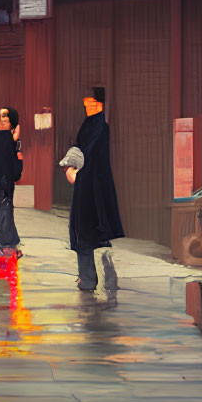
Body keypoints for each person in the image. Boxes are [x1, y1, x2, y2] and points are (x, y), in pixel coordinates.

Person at [65, 86, 123, 293]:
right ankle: (87, 277)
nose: (87, 108)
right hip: (86, 183)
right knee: (84, 231)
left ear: (100, 105)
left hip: (91, 186)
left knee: (85, 231)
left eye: (91, 104)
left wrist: (75, 167)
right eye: (86, 105)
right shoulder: (91, 124)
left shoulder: (99, 126)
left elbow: (87, 151)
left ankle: (88, 279)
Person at [0, 107, 24, 271]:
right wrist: (19, 156)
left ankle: (8, 244)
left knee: (2, 209)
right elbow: (16, 171)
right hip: (6, 181)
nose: (2, 121)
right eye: (1, 118)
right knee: (5, 210)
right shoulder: (8, 141)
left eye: (5, 119)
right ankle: (6, 246)